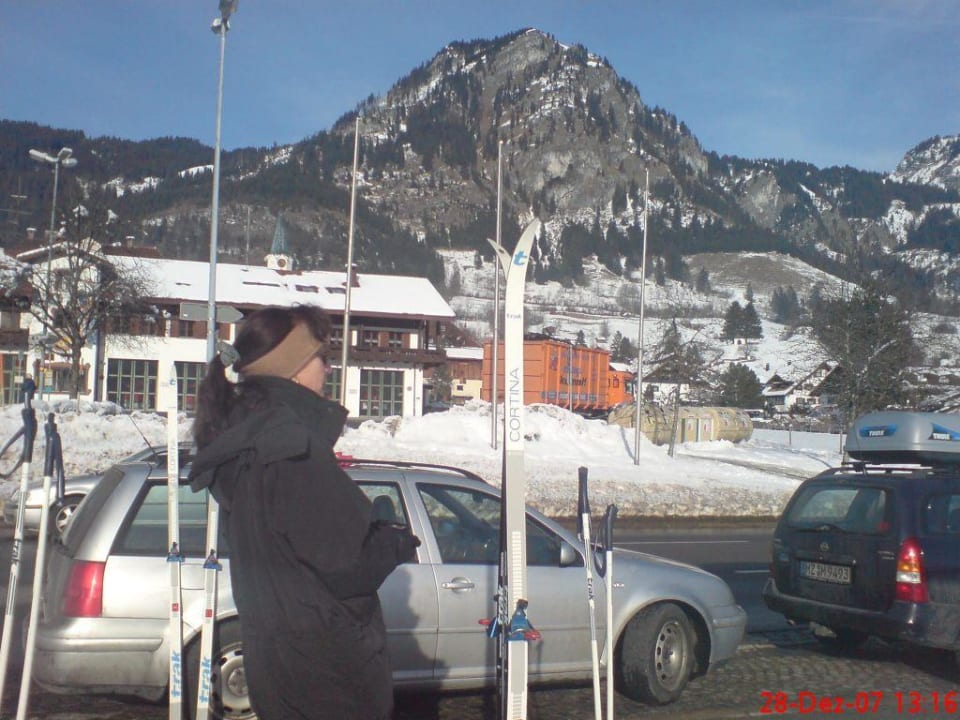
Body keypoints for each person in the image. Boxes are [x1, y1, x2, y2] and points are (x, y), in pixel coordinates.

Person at [189, 305, 420, 720]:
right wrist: (393, 540)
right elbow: (348, 565)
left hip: (279, 670)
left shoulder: (247, 441)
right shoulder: (290, 449)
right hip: (328, 677)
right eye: (322, 358)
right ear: (293, 369)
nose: (328, 369)